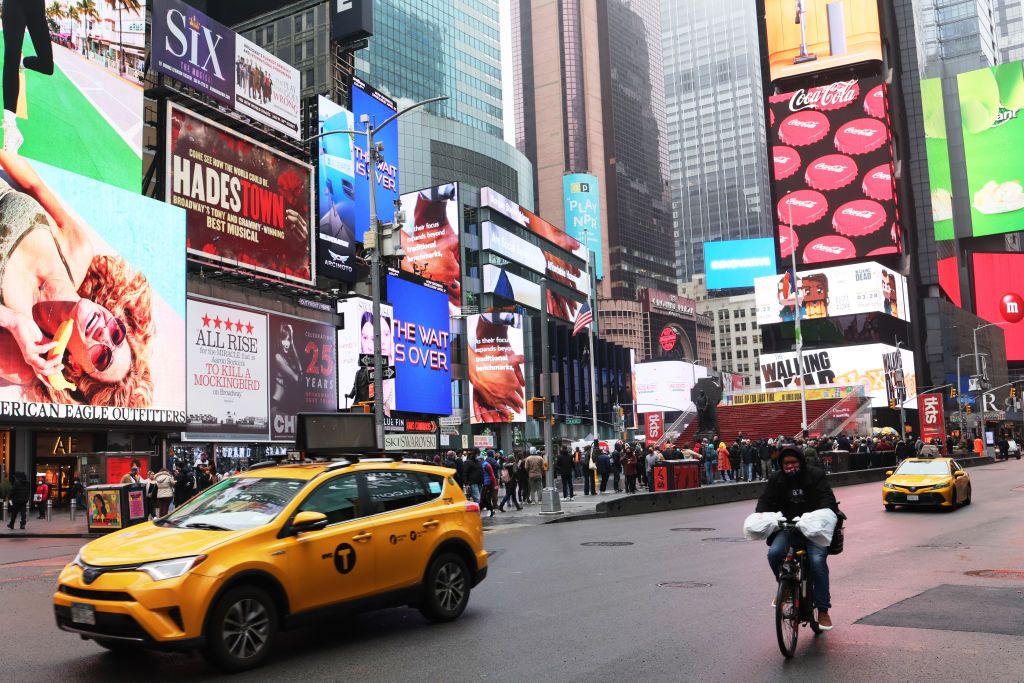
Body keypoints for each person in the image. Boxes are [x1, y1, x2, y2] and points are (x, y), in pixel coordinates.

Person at [0, 153, 155, 407]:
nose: (105, 333)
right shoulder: (78, 250)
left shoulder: (22, 358)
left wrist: (12, 321)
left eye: (102, 357)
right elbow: (32, 185)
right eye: (117, 334)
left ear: (74, 365)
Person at [756, 446, 838, 631]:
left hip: (814, 529)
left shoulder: (816, 475)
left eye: (793, 462)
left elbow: (827, 498)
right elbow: (765, 501)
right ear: (781, 464)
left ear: (800, 462)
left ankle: (823, 610)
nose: (790, 466)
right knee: (774, 554)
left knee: (817, 562)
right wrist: (761, 516)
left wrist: (820, 516)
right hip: (789, 528)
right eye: (786, 463)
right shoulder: (776, 479)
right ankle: (784, 589)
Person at [2, 0, 55, 153]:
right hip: (13, 4)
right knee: (10, 58)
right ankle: (10, 129)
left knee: (47, 66)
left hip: (35, 5)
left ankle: (21, 62)